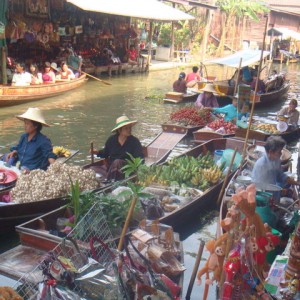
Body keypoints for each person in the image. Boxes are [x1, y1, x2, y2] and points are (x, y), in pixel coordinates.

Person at [90, 116, 144, 181]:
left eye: (130, 127)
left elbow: (140, 159)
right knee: (91, 169)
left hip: (127, 170)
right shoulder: (111, 140)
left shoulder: (134, 142)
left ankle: (110, 182)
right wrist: (96, 152)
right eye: (126, 128)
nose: (129, 130)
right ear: (119, 130)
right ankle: (109, 178)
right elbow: (105, 153)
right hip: (111, 169)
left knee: (117, 162)